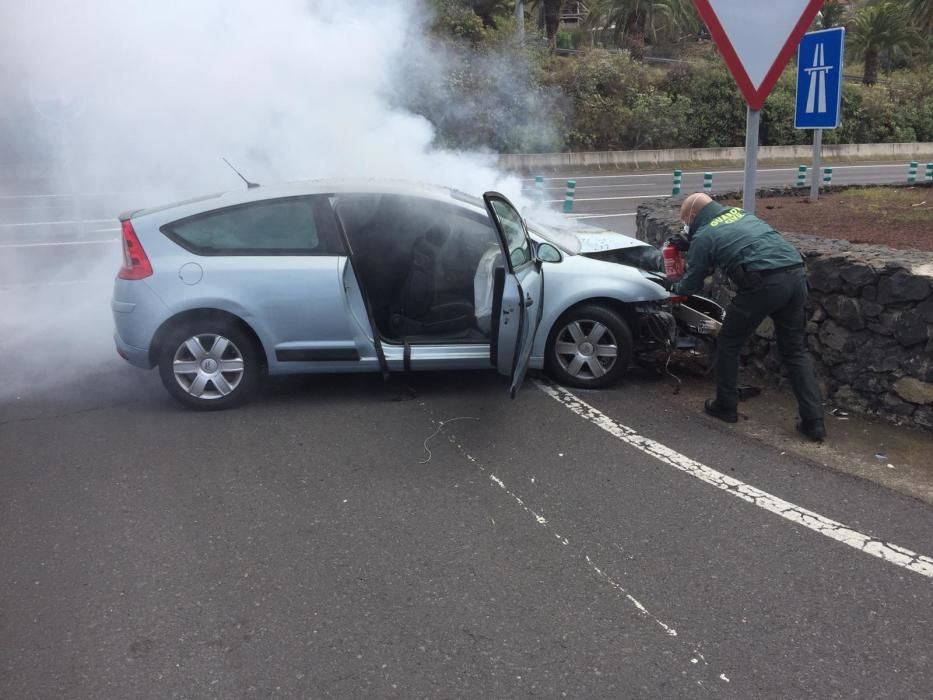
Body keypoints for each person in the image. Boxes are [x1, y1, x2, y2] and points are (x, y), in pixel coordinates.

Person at [670, 193, 826, 441]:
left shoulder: (704, 235)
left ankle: (725, 406)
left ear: (693, 216)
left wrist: (672, 291)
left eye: (685, 221)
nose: (685, 225)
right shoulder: (739, 213)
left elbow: (690, 283)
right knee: (795, 351)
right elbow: (736, 240)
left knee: (729, 341)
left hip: (762, 283)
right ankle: (814, 422)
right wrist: (689, 244)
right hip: (795, 275)